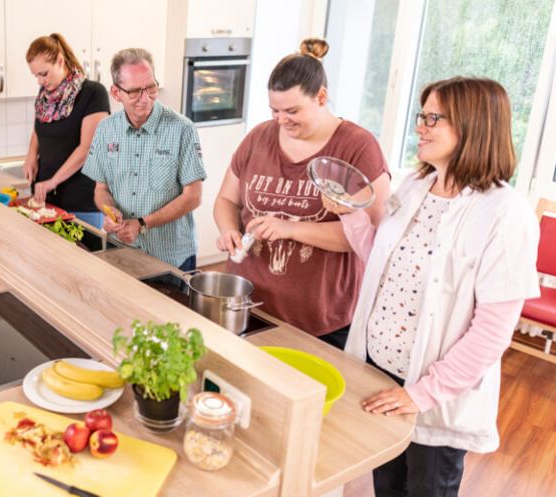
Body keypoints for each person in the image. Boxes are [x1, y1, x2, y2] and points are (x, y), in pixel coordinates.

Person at [331, 77, 539, 497]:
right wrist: (349, 213)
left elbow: (493, 331)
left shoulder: (505, 212)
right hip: (380, 373)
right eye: (420, 115)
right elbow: (382, 261)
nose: (420, 127)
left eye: (433, 118)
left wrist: (424, 393)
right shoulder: (414, 186)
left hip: (433, 390)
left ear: (473, 125)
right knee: (387, 485)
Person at [213, 38, 390, 349]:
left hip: (321, 317)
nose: (281, 120)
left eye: (292, 110)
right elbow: (227, 200)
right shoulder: (258, 138)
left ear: (321, 97)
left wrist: (290, 229)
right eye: (274, 110)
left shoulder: (358, 147)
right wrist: (228, 229)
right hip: (249, 304)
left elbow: (374, 236)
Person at [82, 48, 206, 271]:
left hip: (171, 259)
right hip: (120, 252)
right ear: (116, 92)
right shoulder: (106, 129)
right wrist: (109, 211)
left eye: (150, 88)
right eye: (134, 92)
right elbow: (101, 190)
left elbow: (193, 197)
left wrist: (142, 224)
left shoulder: (182, 128)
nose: (145, 98)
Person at [22, 33, 110, 228]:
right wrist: (31, 154)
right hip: (46, 199)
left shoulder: (93, 93)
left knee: (81, 257)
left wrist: (53, 181)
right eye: (35, 75)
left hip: (81, 201)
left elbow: (87, 149)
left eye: (43, 73)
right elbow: (40, 126)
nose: (39, 81)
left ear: (60, 61)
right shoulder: (46, 94)